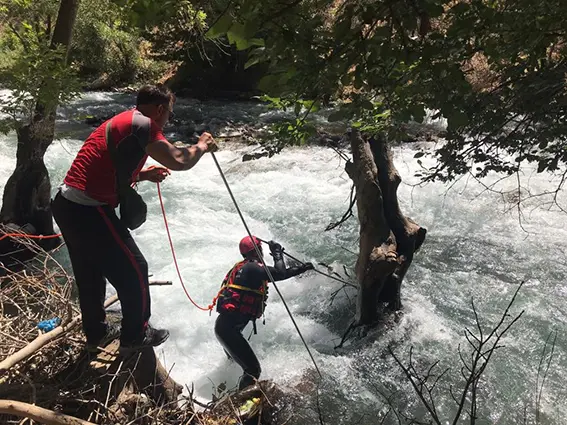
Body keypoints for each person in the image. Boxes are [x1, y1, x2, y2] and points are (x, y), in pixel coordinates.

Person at [52, 84, 217, 354]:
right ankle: (135, 333)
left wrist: (142, 175)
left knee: (90, 274)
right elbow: (178, 159)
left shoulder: (125, 121)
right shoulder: (144, 124)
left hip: (66, 203)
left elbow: (104, 167)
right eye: (170, 116)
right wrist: (202, 145)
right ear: (161, 110)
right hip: (88, 208)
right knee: (135, 269)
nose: (167, 121)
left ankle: (97, 332)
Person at [214, 236, 314, 390]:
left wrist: (301, 269)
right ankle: (239, 405)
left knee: (238, 363)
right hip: (228, 330)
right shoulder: (252, 268)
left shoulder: (245, 267)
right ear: (257, 250)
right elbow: (279, 273)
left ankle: (225, 391)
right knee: (253, 370)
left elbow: (278, 275)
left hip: (225, 328)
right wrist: (277, 253)